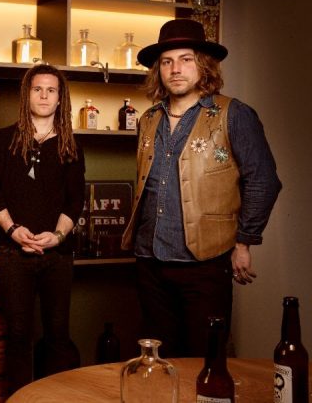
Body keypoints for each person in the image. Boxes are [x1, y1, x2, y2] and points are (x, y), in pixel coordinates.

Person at [121, 19, 282, 358]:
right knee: (157, 358)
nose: (175, 69)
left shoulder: (233, 114)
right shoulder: (148, 119)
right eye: (167, 62)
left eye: (186, 59)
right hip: (150, 259)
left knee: (205, 357)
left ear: (203, 65)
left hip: (205, 262)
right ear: (158, 70)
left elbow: (263, 180)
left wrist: (244, 241)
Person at [0, 64, 85, 393]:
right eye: (37, 89)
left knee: (57, 334)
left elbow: (75, 200)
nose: (43, 96)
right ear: (27, 95)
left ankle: (52, 400)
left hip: (58, 256)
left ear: (60, 99)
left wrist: (57, 236)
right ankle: (20, 399)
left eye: (51, 90)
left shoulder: (70, 145)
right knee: (18, 335)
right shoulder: (3, 139)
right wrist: (13, 230)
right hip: (14, 252)